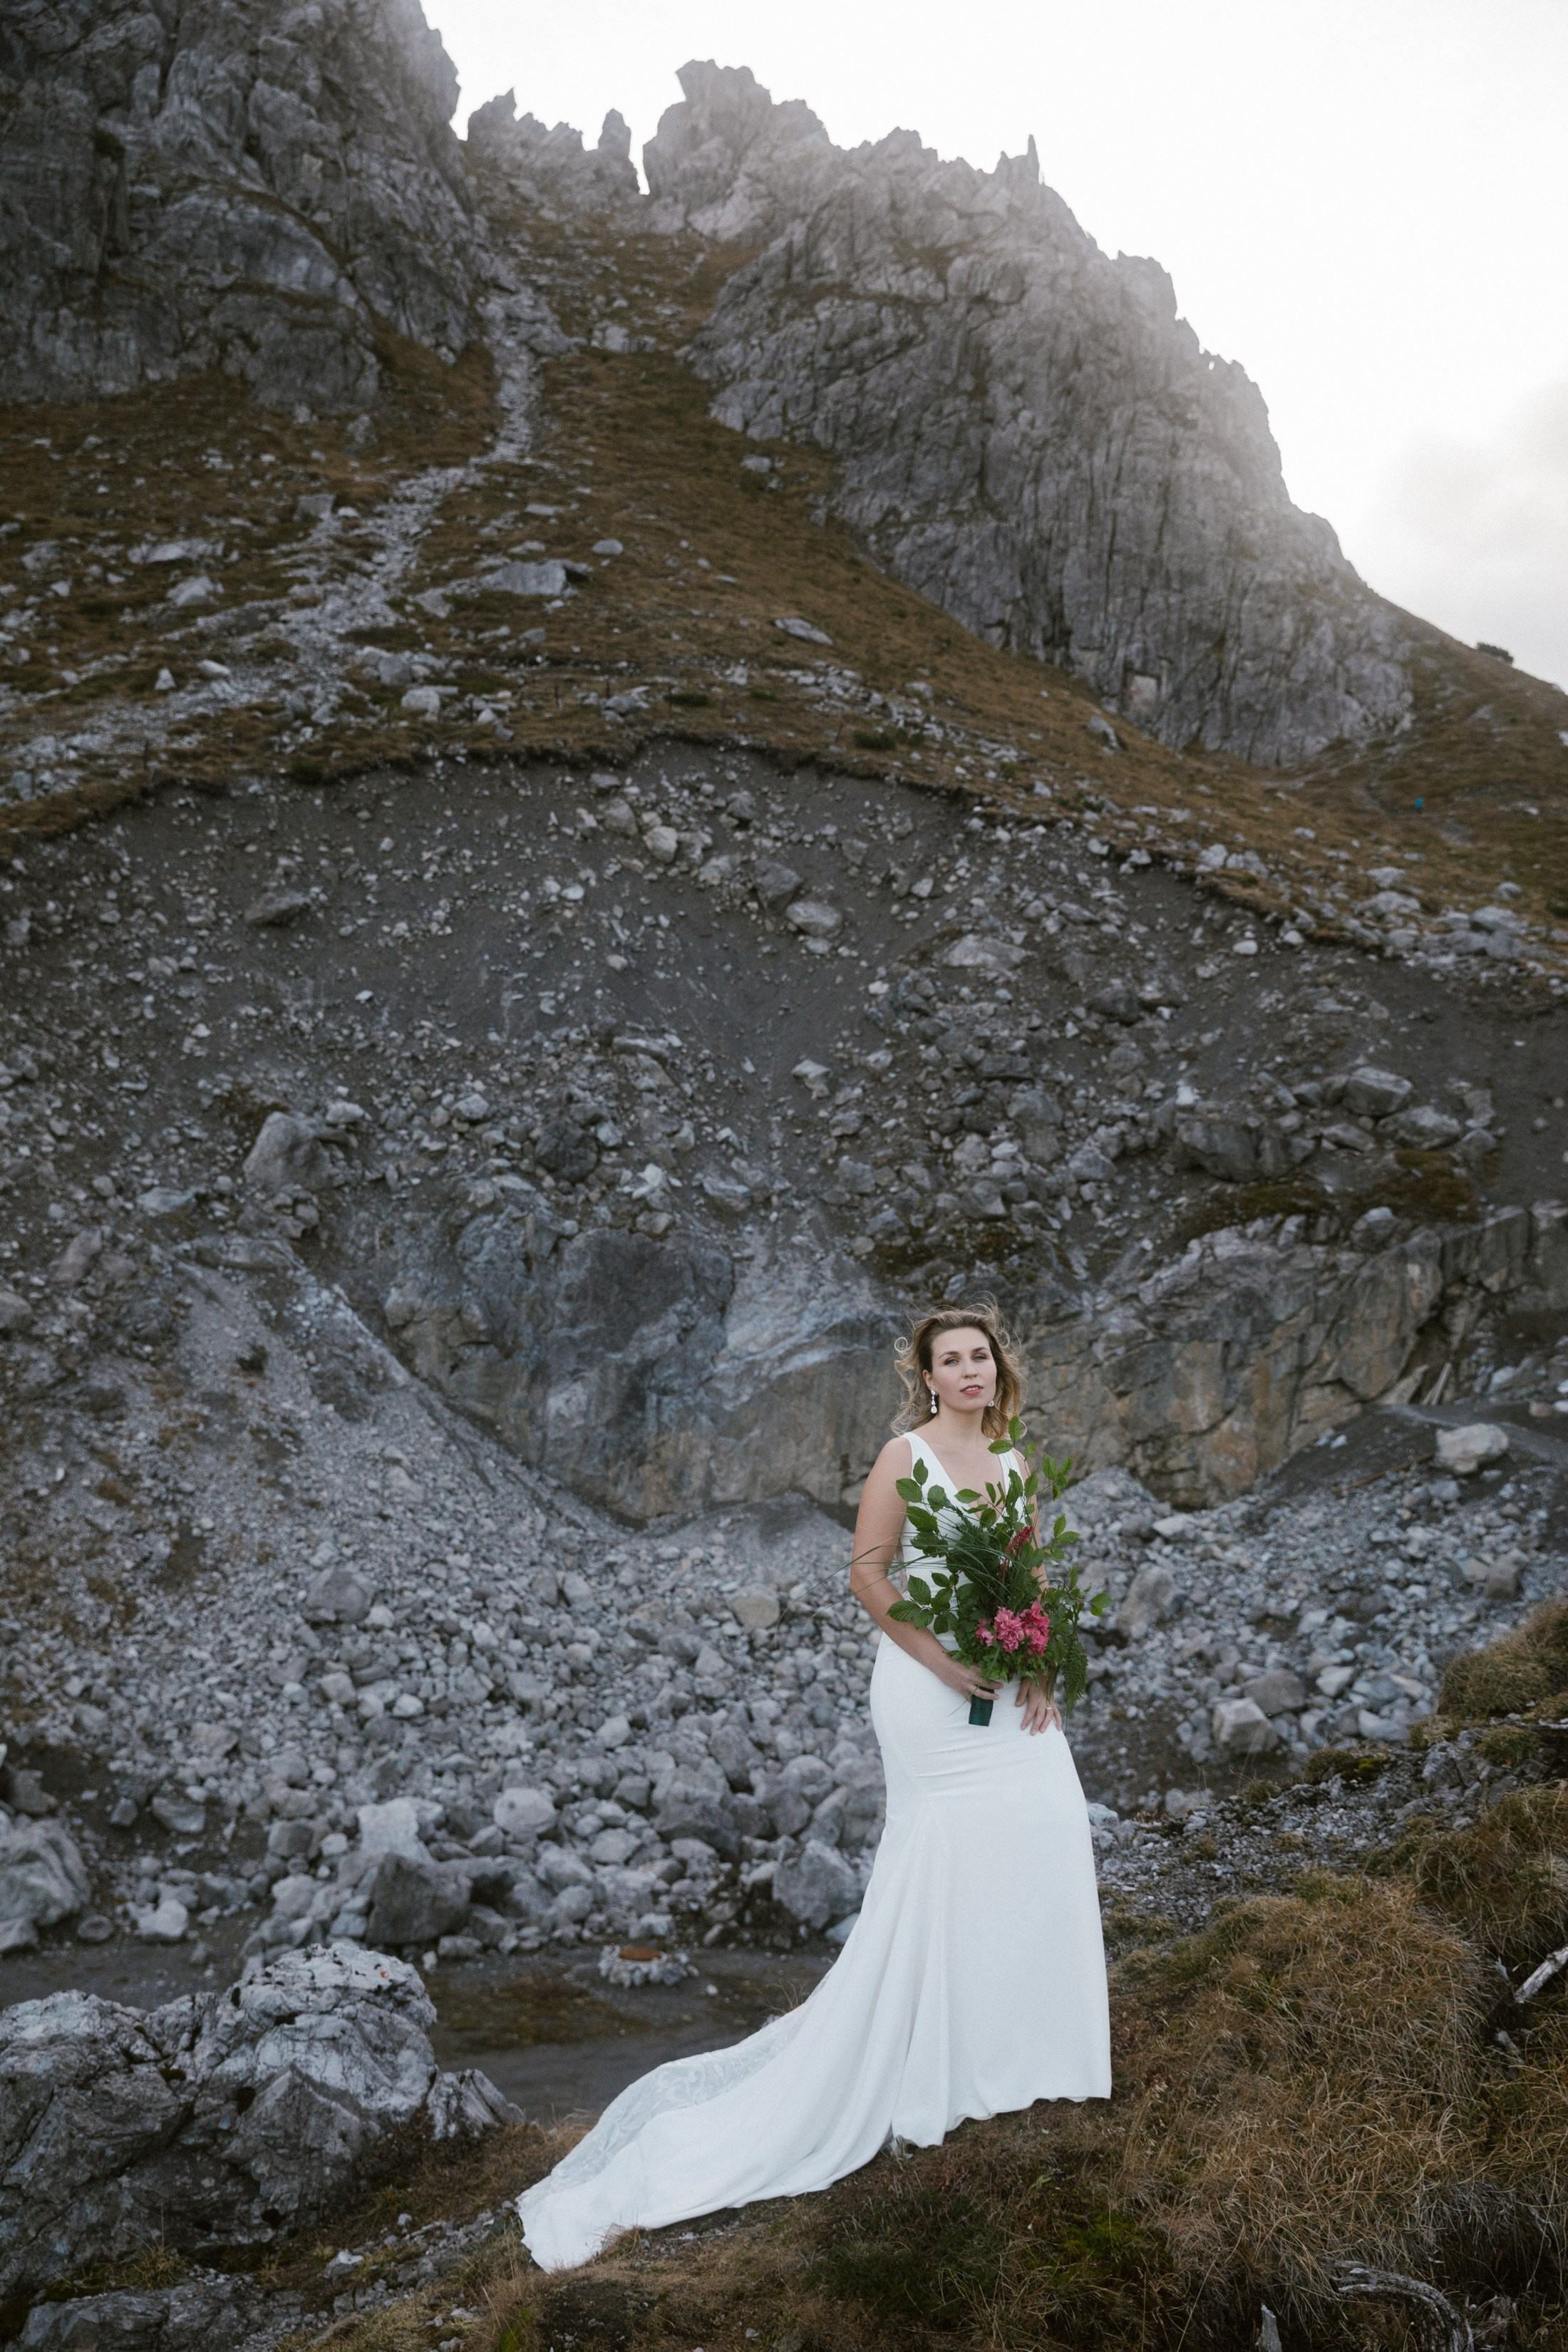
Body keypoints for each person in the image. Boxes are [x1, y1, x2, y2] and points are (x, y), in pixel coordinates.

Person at [515, 1301, 1110, 2272]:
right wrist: (945, 1663)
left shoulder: (1012, 1465)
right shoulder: (903, 1459)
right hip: (927, 1689)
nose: (969, 1371)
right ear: (925, 1376)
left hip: (1008, 1685)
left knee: (1050, 1827)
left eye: (981, 1357)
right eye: (950, 1360)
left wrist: (1039, 1660)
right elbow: (870, 1576)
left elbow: (1024, 1572)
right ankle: (939, 2074)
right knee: (947, 1857)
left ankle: (1038, 2055)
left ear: (1000, 1369)